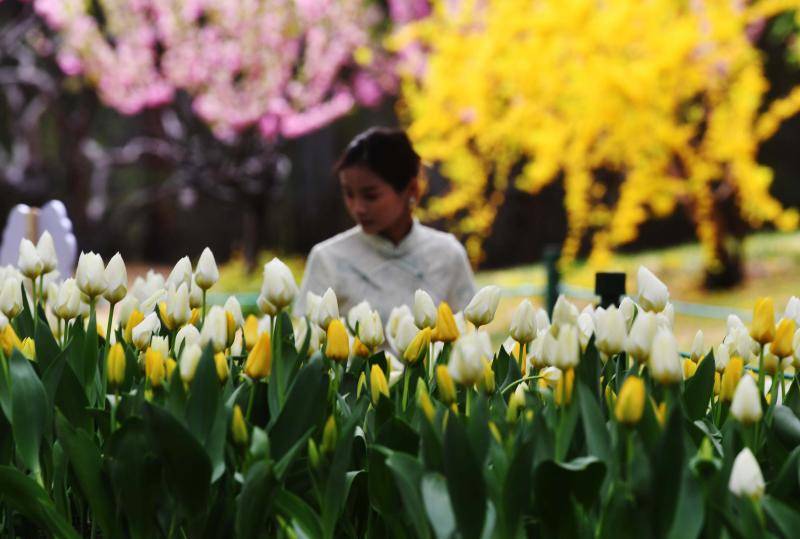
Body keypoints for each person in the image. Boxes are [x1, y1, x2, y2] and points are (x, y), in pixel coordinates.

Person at [296, 127, 476, 324]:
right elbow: (307, 340)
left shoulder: (447, 254)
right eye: (349, 194)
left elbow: (468, 338)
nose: (358, 208)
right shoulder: (328, 259)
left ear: (411, 190)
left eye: (370, 196)